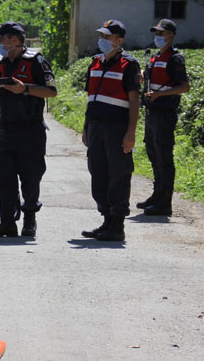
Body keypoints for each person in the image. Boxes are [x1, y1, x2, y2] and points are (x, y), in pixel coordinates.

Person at [0, 21, 57, 238]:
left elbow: (51, 92)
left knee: (30, 178)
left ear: (14, 40)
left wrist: (25, 89)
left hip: (30, 131)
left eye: (1, 40)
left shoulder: (36, 62)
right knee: (4, 178)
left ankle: (30, 220)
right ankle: (7, 222)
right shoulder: (0, 65)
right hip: (4, 130)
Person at [81, 20, 140, 242]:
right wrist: (86, 127)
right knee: (98, 173)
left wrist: (131, 132)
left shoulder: (128, 64)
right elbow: (90, 98)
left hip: (117, 128)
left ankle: (117, 226)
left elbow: (134, 101)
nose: (102, 40)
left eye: (107, 37)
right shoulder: (95, 63)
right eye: (101, 36)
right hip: (95, 126)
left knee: (119, 175)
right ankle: (106, 220)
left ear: (119, 40)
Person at [137, 19, 190, 216]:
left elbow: (184, 87)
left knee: (164, 158)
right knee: (153, 155)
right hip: (152, 114)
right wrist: (143, 75)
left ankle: (165, 203)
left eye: (162, 33)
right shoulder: (155, 57)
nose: (158, 37)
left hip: (164, 115)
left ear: (171, 36)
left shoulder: (175, 59)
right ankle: (156, 195)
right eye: (156, 33)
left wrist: (159, 95)